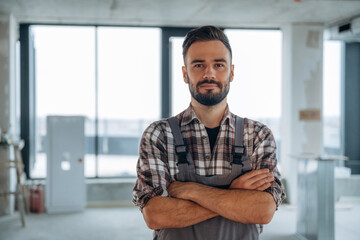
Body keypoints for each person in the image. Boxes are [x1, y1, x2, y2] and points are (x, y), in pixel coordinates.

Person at [133, 25, 286, 240]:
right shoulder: (159, 135)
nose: (209, 73)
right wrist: (235, 194)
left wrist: (191, 191)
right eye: (198, 65)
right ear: (185, 74)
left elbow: (263, 210)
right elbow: (156, 215)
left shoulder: (258, 135)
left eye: (219, 64)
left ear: (231, 72)